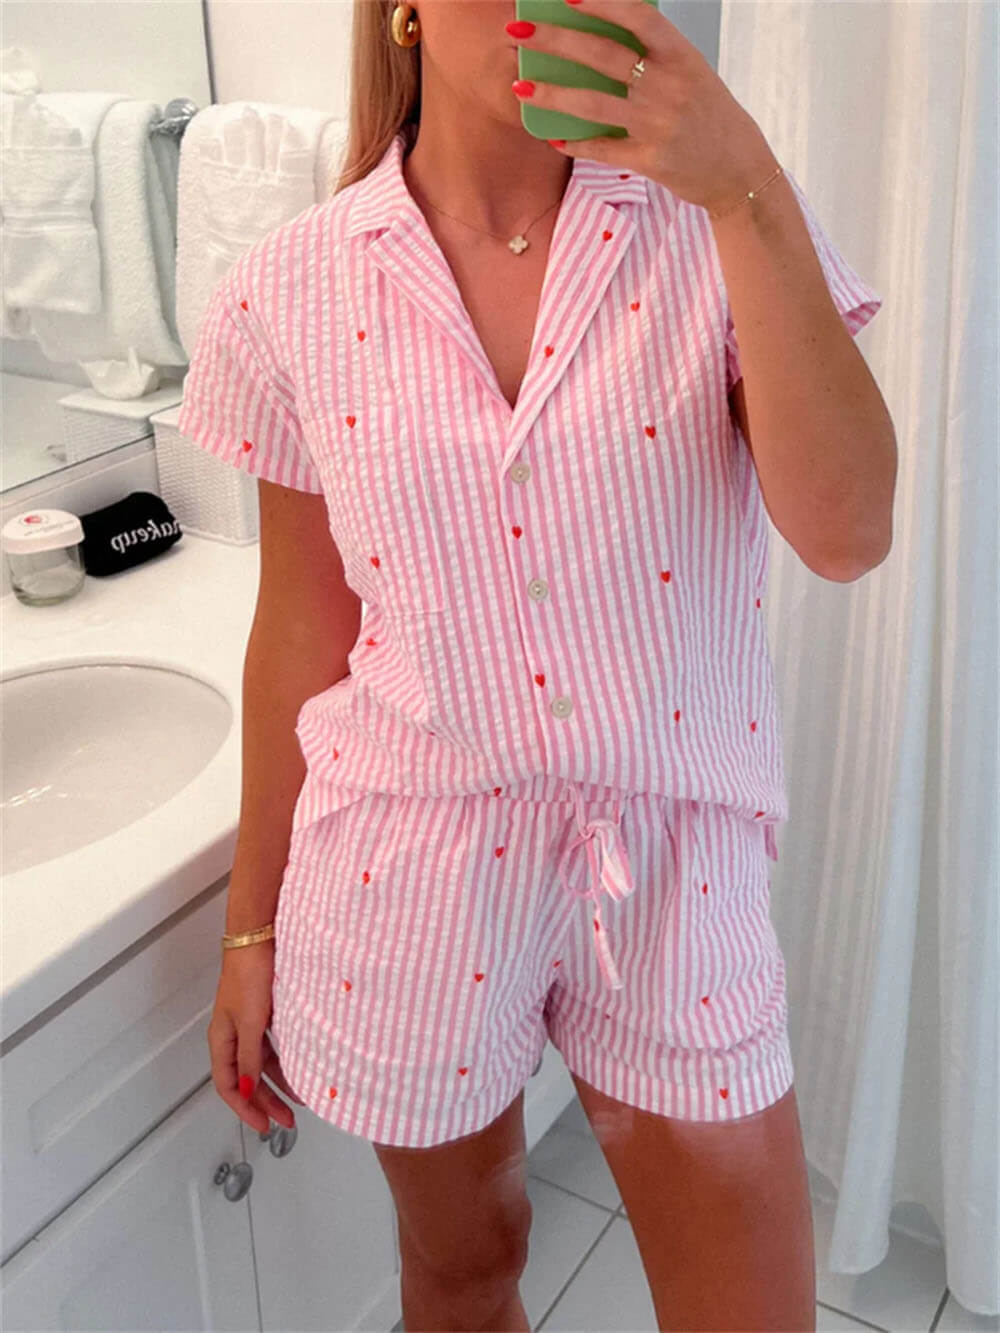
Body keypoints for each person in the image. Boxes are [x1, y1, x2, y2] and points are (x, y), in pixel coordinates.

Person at [178, 0, 890, 1328]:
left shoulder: (714, 222)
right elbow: (301, 635)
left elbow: (849, 532)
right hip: (409, 862)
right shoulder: (290, 290)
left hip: (673, 864)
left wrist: (744, 186)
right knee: (463, 1273)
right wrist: (250, 924)